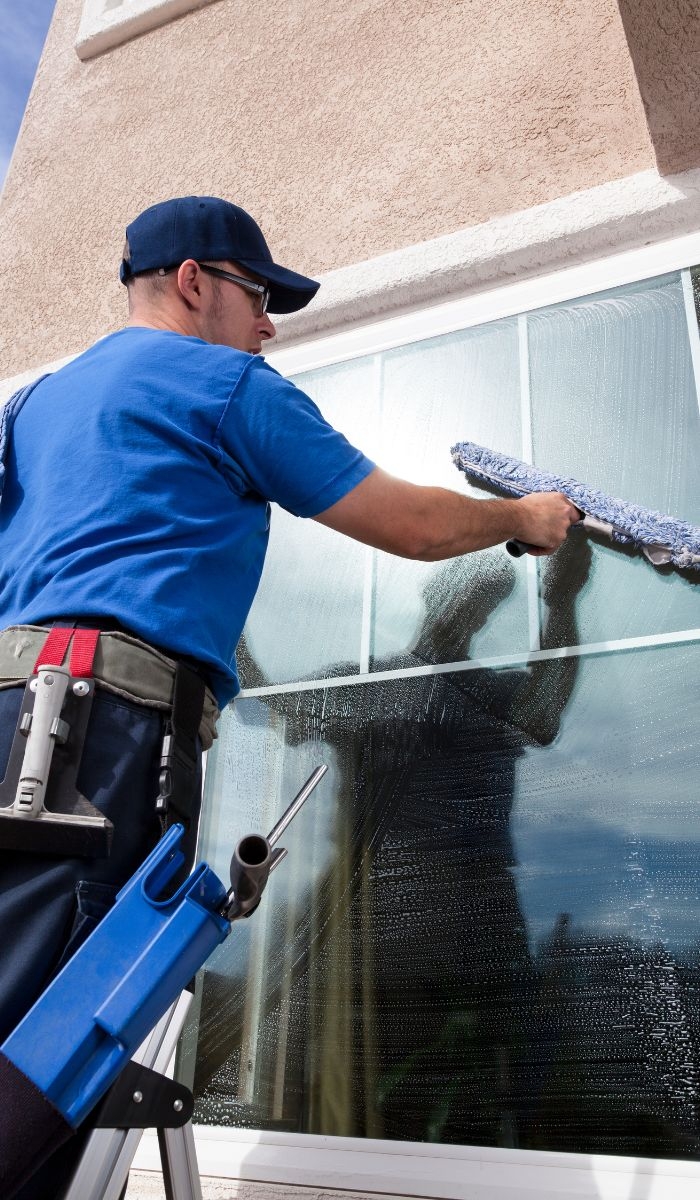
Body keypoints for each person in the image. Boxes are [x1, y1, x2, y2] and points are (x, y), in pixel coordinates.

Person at [0, 195, 578, 1197]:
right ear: (192, 283)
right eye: (259, 295)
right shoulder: (225, 385)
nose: (268, 324)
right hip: (96, 746)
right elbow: (411, 523)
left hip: (16, 722)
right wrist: (522, 518)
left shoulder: (37, 402)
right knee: (54, 1051)